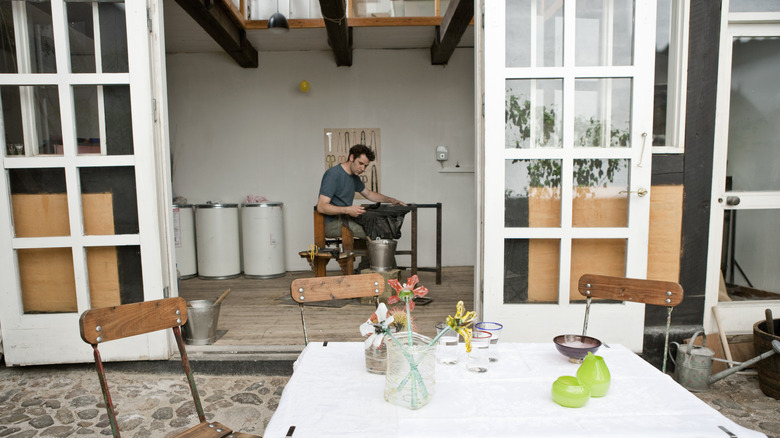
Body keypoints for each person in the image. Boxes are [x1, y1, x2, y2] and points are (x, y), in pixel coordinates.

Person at [317, 144, 406, 239]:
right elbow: (321, 207)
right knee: (376, 230)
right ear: (351, 157)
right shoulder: (333, 175)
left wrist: (391, 200)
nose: (363, 169)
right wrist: (347, 210)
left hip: (346, 219)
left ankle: (372, 253)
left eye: (366, 166)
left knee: (380, 226)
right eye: (360, 163)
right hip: (332, 224)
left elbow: (369, 194)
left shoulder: (354, 177)